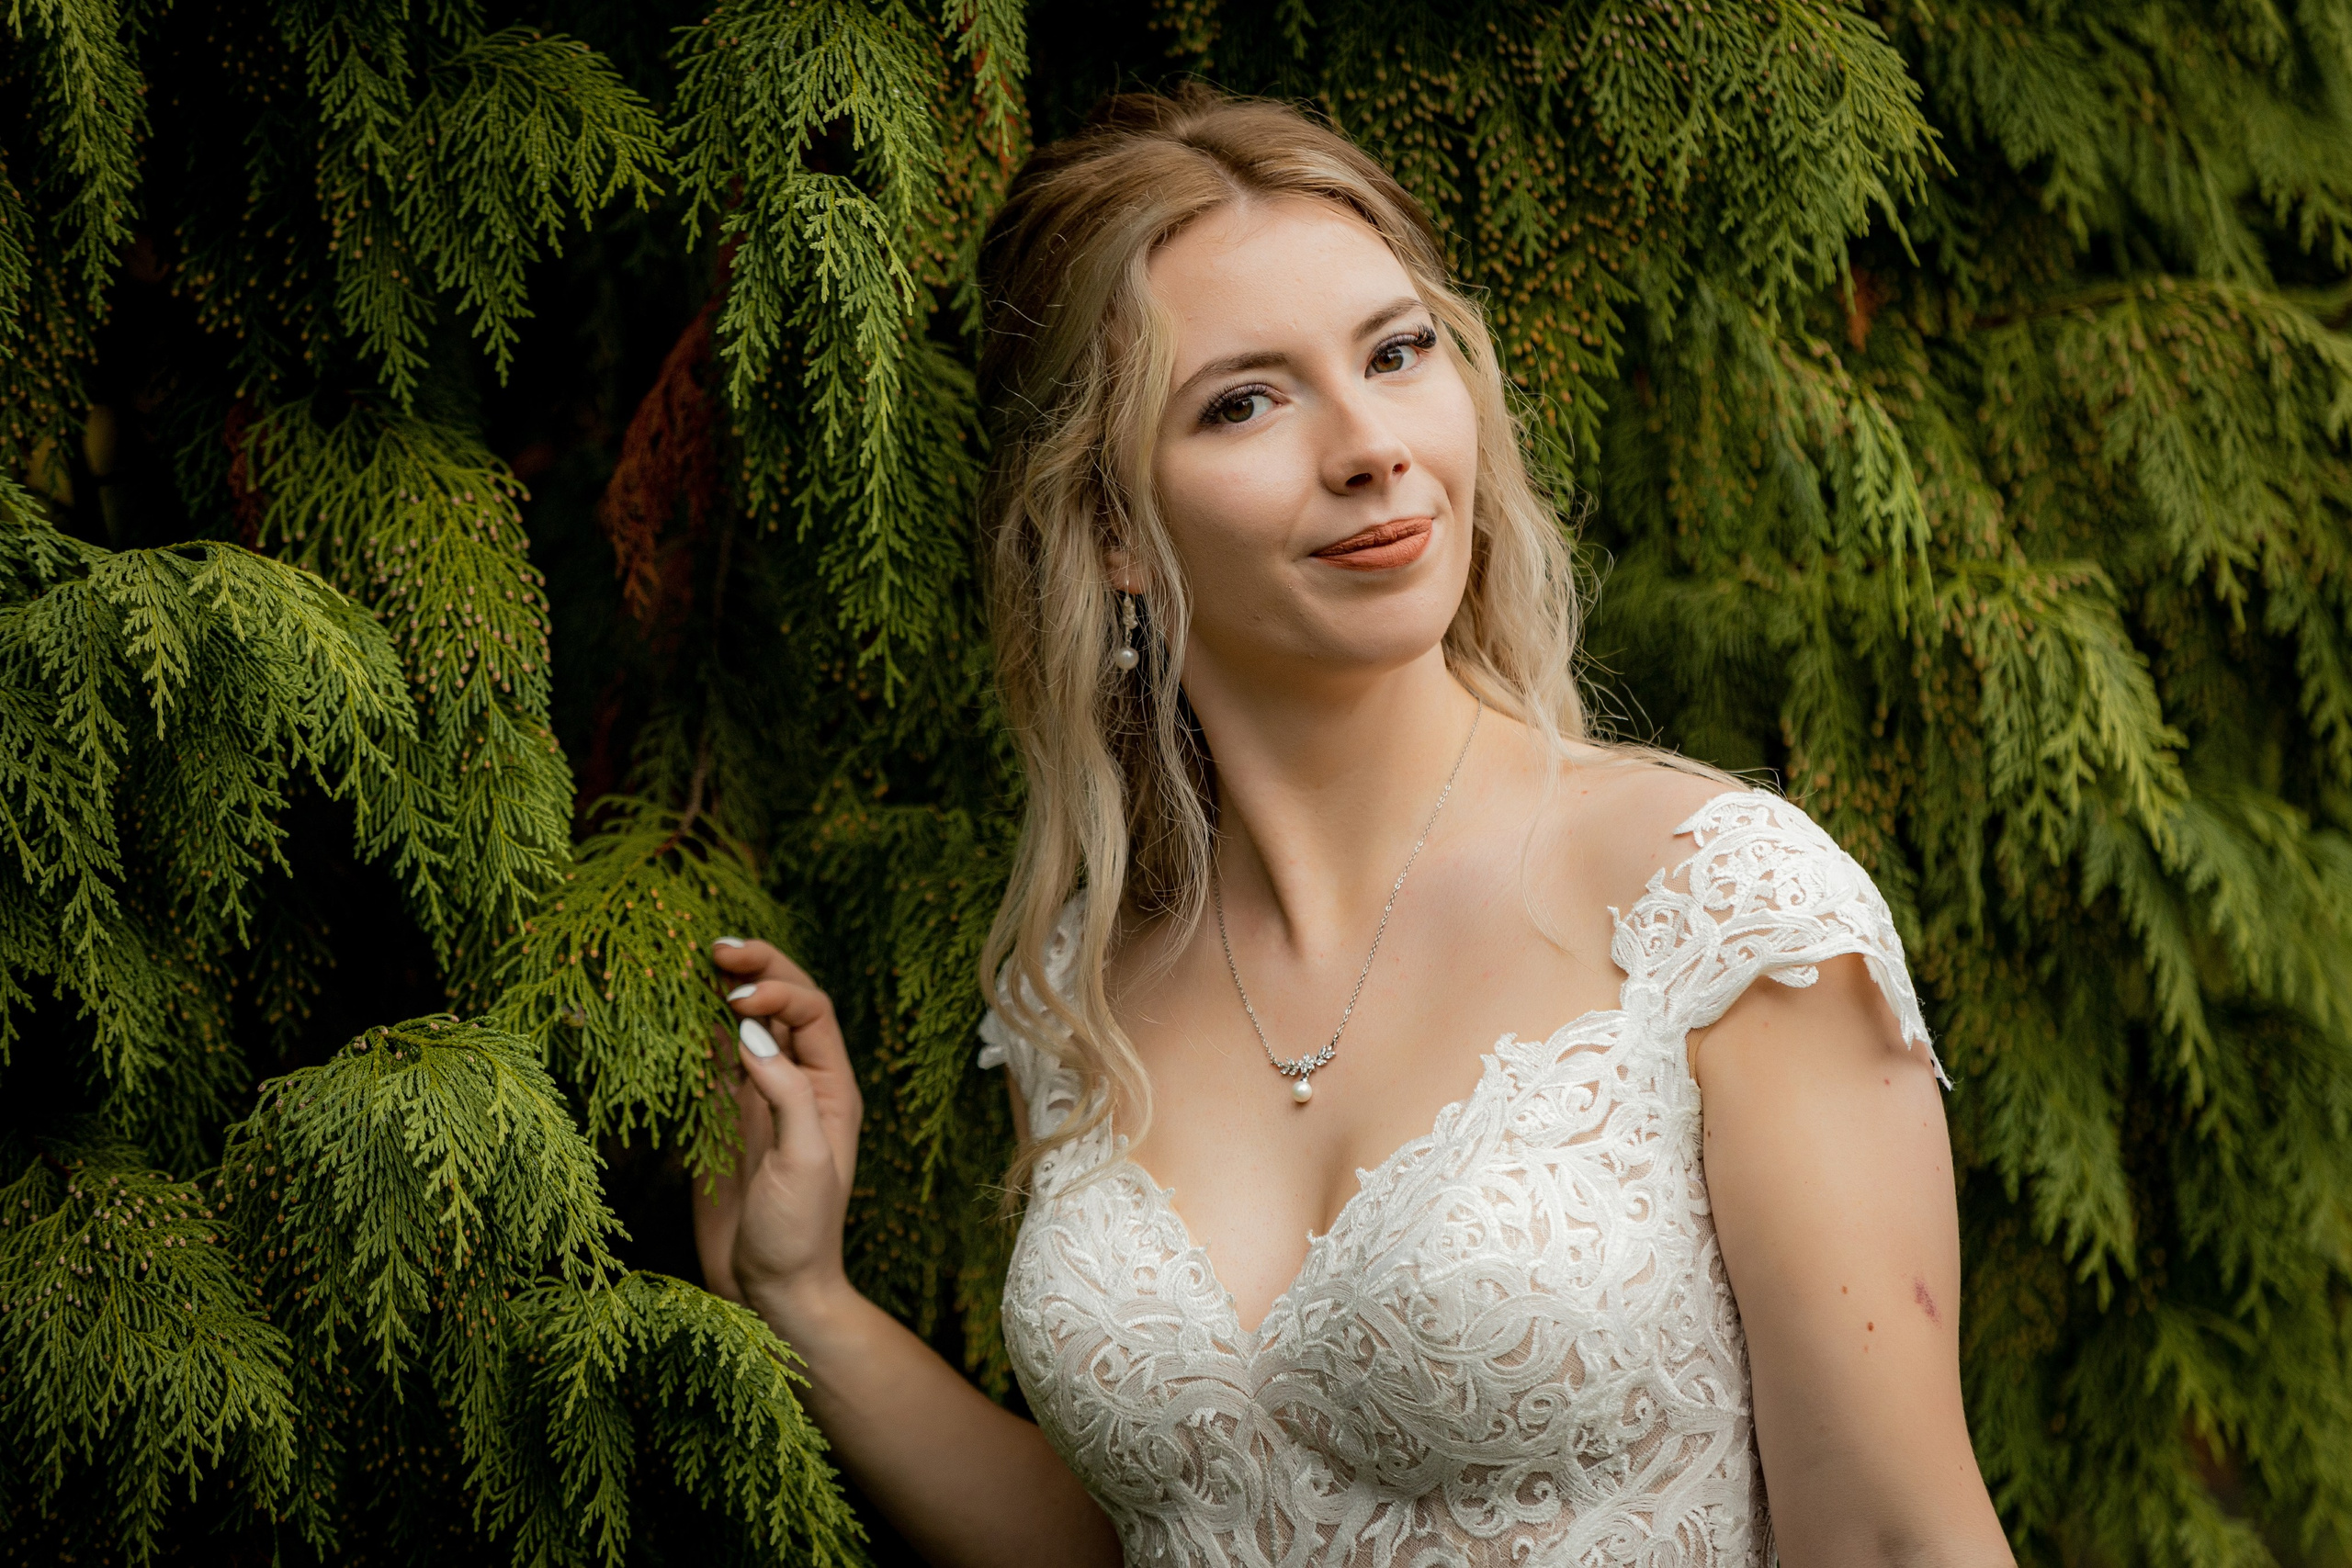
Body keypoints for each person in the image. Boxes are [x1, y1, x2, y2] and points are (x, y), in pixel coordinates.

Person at [695, 87, 2013, 1567]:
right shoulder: (1076, 997)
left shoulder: (1721, 908)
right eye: (1245, 401)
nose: (1372, 444)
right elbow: (1156, 1531)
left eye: (1397, 354)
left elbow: (1900, 1537)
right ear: (1116, 530)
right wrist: (805, 1296)